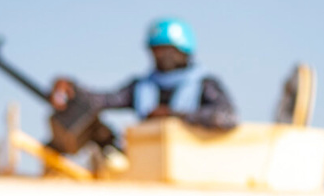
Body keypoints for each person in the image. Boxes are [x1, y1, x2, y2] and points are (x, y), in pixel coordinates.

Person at [50, 18, 236, 130]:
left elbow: (226, 117)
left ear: (183, 51)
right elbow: (102, 100)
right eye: (156, 50)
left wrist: (175, 115)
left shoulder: (205, 84)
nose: (161, 56)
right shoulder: (142, 87)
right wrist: (71, 88)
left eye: (167, 49)